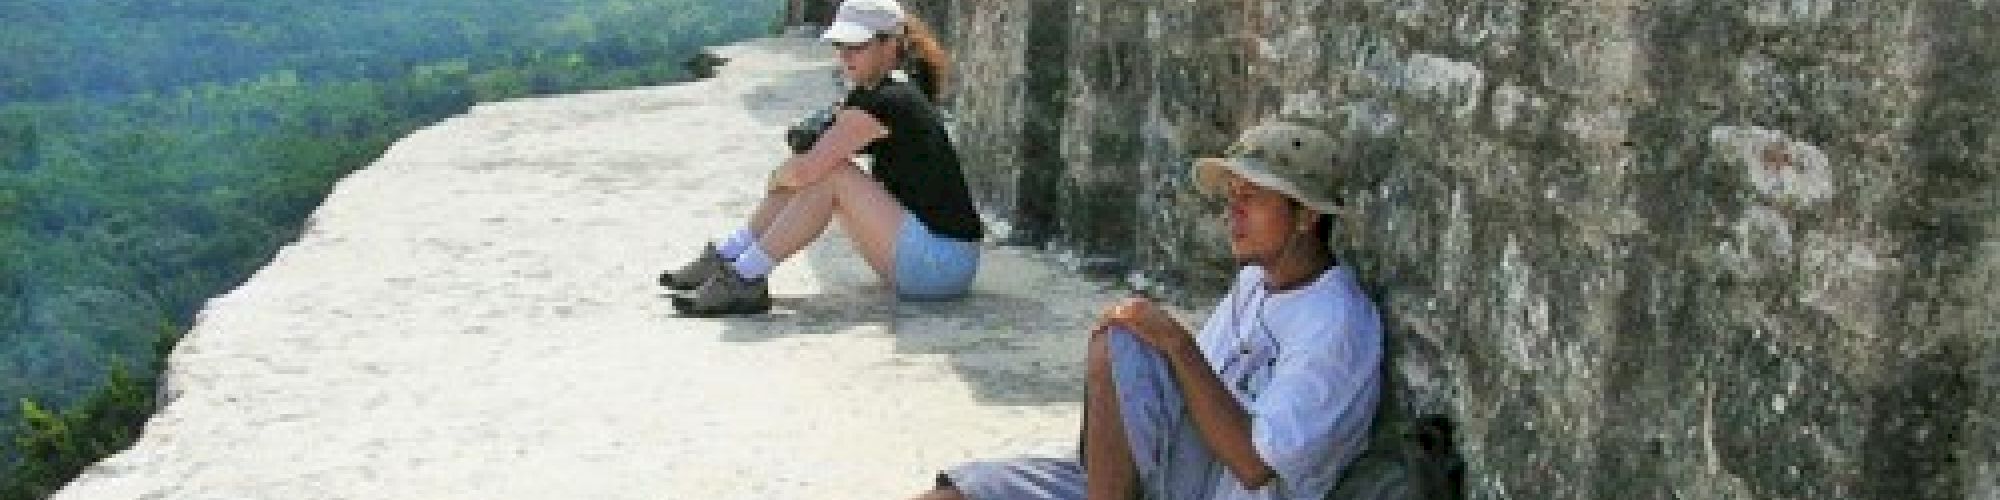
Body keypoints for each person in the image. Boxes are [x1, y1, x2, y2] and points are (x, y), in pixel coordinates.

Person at [912, 118, 1383, 500]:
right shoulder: (1254, 283)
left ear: (1306, 215)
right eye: (1231, 196)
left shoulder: (1336, 321)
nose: (1232, 213)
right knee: (953, 496)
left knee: (1125, 340)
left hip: (1218, 490)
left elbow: (1255, 465)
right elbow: (1186, 401)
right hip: (1164, 475)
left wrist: (1176, 344)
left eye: (1252, 198)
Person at [660, 0, 982, 316]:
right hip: (920, 260)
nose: (845, 56)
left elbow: (807, 171)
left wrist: (779, 176)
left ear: (890, 44)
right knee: (821, 169)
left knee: (831, 174)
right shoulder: (874, 93)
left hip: (942, 265)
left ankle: (745, 276)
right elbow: (809, 154)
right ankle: (731, 257)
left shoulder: (891, 98)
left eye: (857, 45)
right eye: (841, 45)